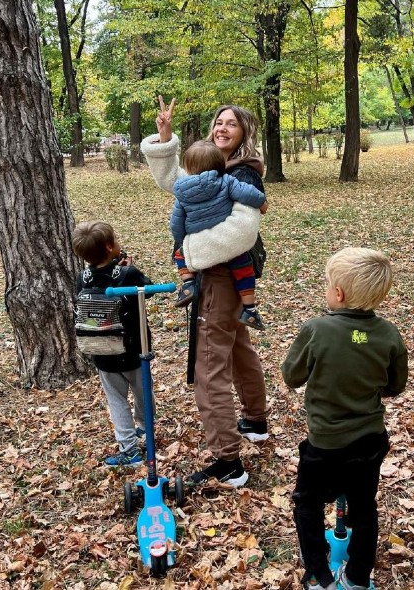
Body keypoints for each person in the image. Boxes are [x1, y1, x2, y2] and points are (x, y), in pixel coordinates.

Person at [141, 98, 270, 487]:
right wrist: (165, 140)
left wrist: (190, 254)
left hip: (218, 278)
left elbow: (242, 233)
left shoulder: (243, 175)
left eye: (232, 123)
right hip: (222, 280)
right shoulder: (215, 169)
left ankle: (228, 460)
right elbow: (175, 182)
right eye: (219, 122)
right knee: (238, 346)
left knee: (209, 365)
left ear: (245, 132)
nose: (222, 127)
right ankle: (255, 421)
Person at [281, 248, 408, 590]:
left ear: (338, 293)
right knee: (364, 507)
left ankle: (318, 574)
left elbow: (291, 376)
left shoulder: (316, 330)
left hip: (325, 444)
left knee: (307, 503)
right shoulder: (389, 334)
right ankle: (357, 576)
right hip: (369, 442)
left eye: (327, 283)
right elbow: (396, 385)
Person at [72, 221, 154, 468]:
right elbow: (147, 290)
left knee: (116, 400)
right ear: (110, 247)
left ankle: (128, 449)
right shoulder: (127, 274)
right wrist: (132, 270)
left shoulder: (82, 278)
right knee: (143, 391)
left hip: (102, 351)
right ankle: (145, 427)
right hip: (134, 351)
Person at [171, 140, 267, 330]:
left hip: (198, 242)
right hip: (227, 245)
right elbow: (248, 193)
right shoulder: (226, 181)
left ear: (188, 168)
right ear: (220, 165)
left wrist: (183, 241)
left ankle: (188, 283)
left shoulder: (182, 191)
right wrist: (262, 202)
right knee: (244, 268)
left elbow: (176, 223)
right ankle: (250, 309)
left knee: (180, 255)